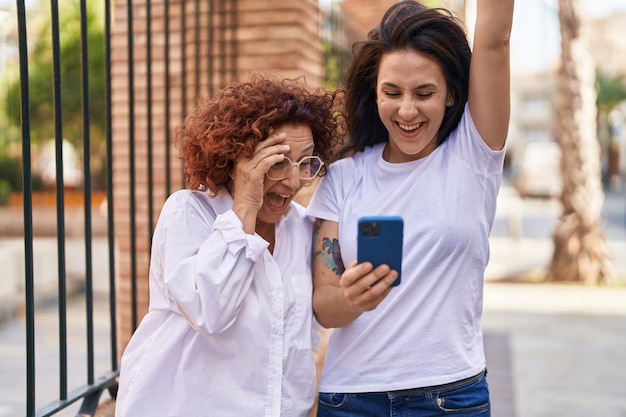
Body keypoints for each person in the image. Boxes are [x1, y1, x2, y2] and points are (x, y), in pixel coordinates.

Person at [307, 0, 514, 416]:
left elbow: (495, 39)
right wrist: (351, 298)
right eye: (392, 92)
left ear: (452, 94)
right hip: (351, 400)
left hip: (450, 398)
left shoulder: (474, 156)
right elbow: (324, 305)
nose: (406, 110)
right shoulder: (345, 177)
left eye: (424, 93)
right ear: (375, 92)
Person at [115, 74, 343, 417]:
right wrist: (245, 207)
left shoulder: (301, 227)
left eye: (305, 163)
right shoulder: (188, 213)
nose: (294, 181)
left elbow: (298, 342)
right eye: (277, 162)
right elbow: (210, 312)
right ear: (237, 158)